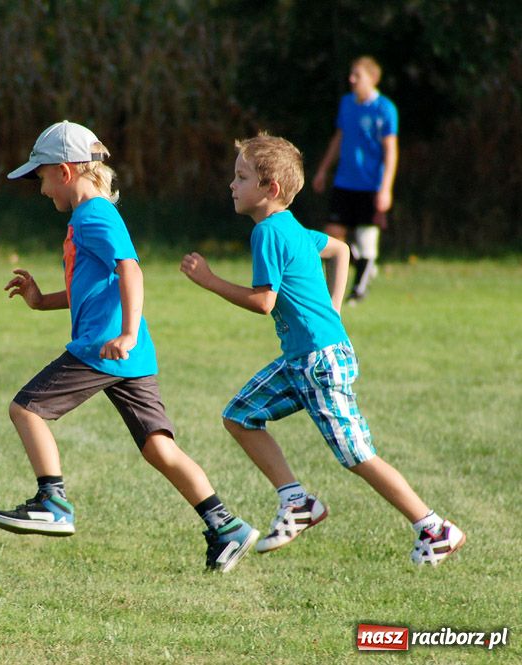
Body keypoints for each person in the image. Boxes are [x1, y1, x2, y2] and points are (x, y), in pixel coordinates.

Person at [180, 134, 464, 565]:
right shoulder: (291, 226)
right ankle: (296, 501)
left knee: (357, 455)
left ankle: (434, 527)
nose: (231, 185)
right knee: (240, 416)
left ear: (269, 188)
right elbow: (342, 250)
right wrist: (332, 309)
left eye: (241, 177)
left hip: (318, 362)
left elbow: (263, 302)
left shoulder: (268, 233)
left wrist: (209, 280)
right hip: (306, 358)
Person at [0, 120, 259, 572]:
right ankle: (226, 526)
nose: (40, 190)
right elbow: (97, 285)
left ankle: (53, 503)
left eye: (40, 177)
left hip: (105, 347)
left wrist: (128, 332)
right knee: (159, 448)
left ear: (66, 171)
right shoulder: (90, 215)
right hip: (128, 354)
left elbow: (131, 269)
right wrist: (42, 302)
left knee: (27, 409)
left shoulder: (93, 214)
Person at [312, 56, 398, 304]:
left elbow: (391, 150)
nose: (351, 79)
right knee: (333, 235)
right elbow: (339, 138)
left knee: (366, 238)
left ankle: (358, 290)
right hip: (344, 182)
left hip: (370, 185)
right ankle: (364, 266)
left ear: (372, 78)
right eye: (351, 74)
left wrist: (386, 188)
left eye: (357, 75)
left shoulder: (385, 109)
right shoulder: (347, 104)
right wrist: (323, 169)